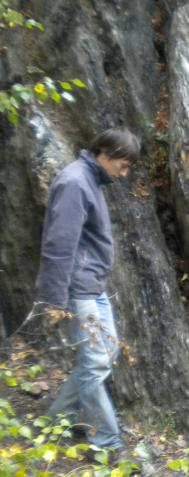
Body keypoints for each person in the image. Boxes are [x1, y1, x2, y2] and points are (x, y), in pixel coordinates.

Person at [39, 127, 141, 458]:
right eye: (123, 166)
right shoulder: (75, 183)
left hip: (92, 287)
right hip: (78, 290)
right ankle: (106, 443)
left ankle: (56, 421)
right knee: (96, 363)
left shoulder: (89, 180)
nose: (124, 174)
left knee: (104, 355)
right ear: (105, 154)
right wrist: (56, 299)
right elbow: (58, 245)